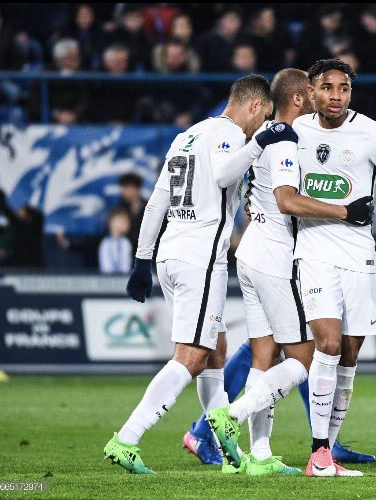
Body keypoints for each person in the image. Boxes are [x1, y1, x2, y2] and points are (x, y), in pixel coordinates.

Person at [103, 74, 293, 474]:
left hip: (172, 253)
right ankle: (127, 438)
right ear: (256, 106)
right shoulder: (232, 137)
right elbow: (225, 176)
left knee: (215, 352)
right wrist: (261, 141)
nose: (263, 126)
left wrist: (143, 260)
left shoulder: (187, 135)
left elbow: (157, 201)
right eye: (264, 118)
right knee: (190, 358)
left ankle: (227, 453)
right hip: (200, 259)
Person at [197, 69, 376, 476]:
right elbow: (287, 201)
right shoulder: (285, 140)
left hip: (251, 253)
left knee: (264, 357)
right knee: (306, 359)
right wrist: (347, 211)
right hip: (276, 259)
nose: (319, 99)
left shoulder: (262, 137)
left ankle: (259, 455)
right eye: (312, 93)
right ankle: (230, 416)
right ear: (299, 98)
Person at [273, 58, 376, 477]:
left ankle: (329, 448)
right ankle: (319, 451)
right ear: (311, 91)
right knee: (326, 344)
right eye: (327, 88)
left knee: (349, 354)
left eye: (343, 88)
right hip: (312, 251)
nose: (336, 96)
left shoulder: (372, 133)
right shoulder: (295, 131)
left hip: (359, 257)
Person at [98, 207, 132, 274]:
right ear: (111, 222)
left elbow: (126, 266)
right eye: (123, 220)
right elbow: (105, 267)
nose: (127, 223)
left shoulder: (126, 243)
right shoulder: (105, 244)